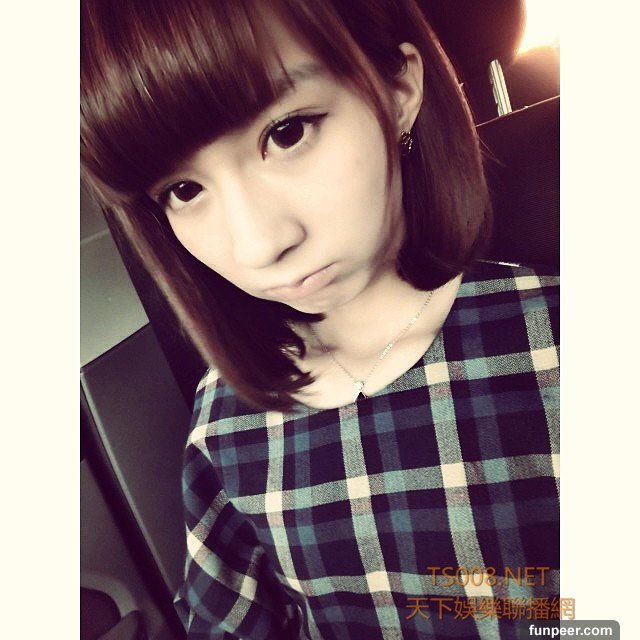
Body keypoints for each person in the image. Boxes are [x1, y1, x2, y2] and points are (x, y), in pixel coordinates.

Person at [80, 0, 560, 638]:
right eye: (184, 191)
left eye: (287, 133)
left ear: (397, 91)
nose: (258, 245)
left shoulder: (560, 343)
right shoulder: (225, 414)